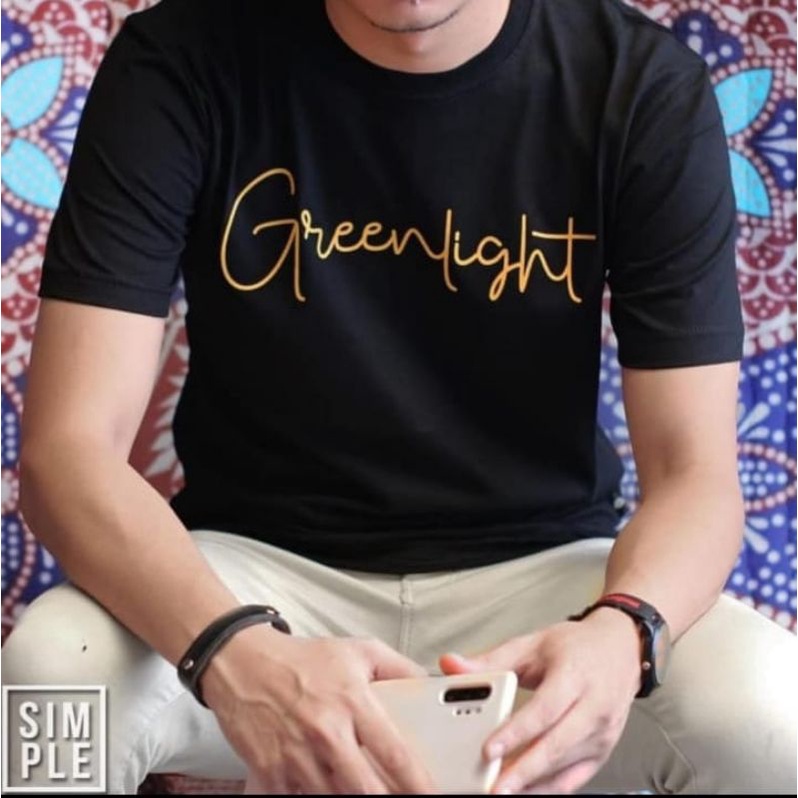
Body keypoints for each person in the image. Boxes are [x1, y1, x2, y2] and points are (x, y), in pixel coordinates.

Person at [3, 0, 796, 793]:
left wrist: (626, 633)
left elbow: (695, 477)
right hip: (250, 586)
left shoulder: (639, 83)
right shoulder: (180, 59)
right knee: (48, 684)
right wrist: (230, 651)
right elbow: (67, 453)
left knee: (769, 715)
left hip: (546, 590)